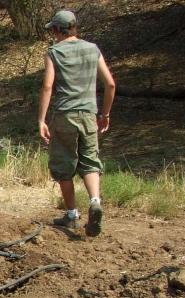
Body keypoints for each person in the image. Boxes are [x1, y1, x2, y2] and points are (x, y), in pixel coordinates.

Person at [37, 9, 116, 237]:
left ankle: (71, 215)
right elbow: (110, 84)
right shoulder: (93, 49)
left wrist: (41, 119)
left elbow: (48, 87)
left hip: (64, 116)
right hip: (89, 115)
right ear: (74, 27)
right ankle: (95, 201)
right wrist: (105, 114)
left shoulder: (54, 52)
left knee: (63, 166)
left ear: (55, 30)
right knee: (90, 161)